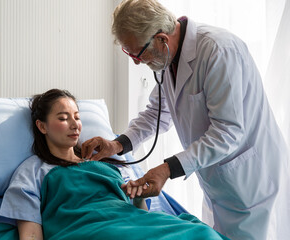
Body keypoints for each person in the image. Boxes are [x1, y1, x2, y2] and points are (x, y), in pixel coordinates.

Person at [81, 0, 290, 239]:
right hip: (219, 182)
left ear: (161, 38)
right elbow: (156, 113)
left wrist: (167, 169)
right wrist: (117, 145)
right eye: (128, 53)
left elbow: (228, 132)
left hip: (253, 181)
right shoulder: (165, 57)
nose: (136, 62)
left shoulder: (218, 51)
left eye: (138, 53)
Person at [0, 89, 229, 240]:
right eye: (63, 118)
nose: (75, 124)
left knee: (204, 235)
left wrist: (139, 196)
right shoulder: (33, 170)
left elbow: (138, 213)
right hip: (85, 230)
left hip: (132, 223)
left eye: (77, 116)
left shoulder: (107, 165)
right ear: (42, 126)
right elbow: (30, 233)